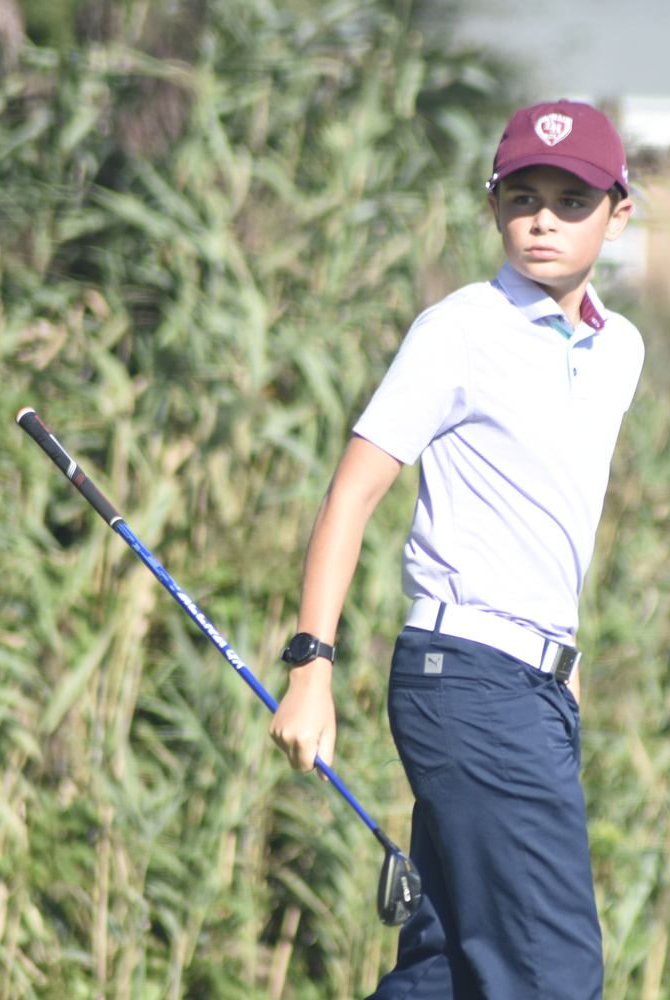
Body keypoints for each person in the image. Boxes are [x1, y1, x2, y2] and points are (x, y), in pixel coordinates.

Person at [269, 100, 642, 1000]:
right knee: (552, 976)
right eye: (523, 197)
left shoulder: (618, 349)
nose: (543, 218)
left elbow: (552, 518)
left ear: (618, 212)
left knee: (446, 967)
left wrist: (564, 667)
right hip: (464, 674)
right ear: (493, 206)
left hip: (537, 687)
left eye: (571, 198)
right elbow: (352, 494)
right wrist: (310, 668)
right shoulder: (460, 330)